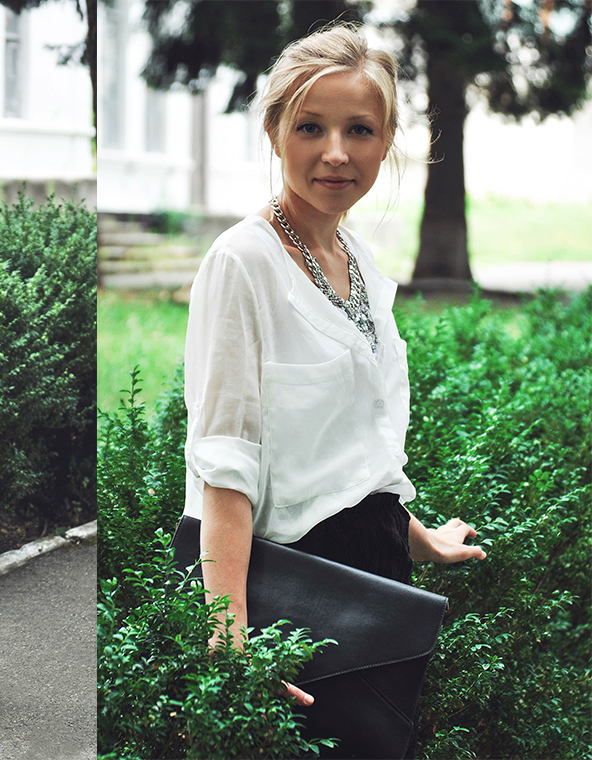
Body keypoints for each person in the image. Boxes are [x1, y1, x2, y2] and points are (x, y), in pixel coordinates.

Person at [181, 23, 486, 755]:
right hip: (291, 583)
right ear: (275, 129)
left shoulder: (356, 258)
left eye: (361, 129)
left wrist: (416, 537)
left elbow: (341, 452)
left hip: (371, 572)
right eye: (312, 127)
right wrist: (232, 644)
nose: (336, 152)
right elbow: (225, 465)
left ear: (386, 142)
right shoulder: (244, 263)